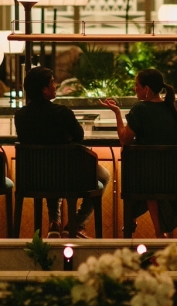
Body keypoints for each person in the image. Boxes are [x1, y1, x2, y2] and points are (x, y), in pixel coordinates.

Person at [15, 67, 111, 238]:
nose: (56, 85)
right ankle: (77, 224)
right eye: (52, 82)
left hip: (34, 177)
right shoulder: (63, 113)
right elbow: (79, 136)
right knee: (104, 176)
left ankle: (54, 222)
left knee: (51, 170)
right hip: (68, 176)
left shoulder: (20, 116)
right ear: (44, 89)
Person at [101, 68, 177, 237]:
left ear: (146, 89)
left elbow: (124, 139)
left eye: (136, 85)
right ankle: (156, 230)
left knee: (145, 177)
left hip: (147, 180)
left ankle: (144, 224)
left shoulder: (140, 109)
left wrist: (117, 113)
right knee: (150, 173)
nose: (134, 89)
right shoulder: (171, 108)